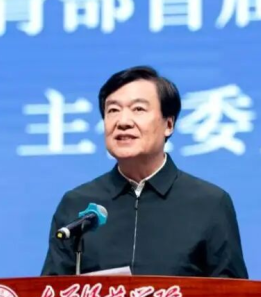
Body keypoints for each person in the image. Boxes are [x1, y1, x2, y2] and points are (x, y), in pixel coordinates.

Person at [41, 66, 248, 278]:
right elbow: (47, 293)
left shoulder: (210, 203)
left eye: (138, 109)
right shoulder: (77, 204)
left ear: (168, 124)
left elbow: (233, 293)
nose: (123, 122)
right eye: (113, 110)